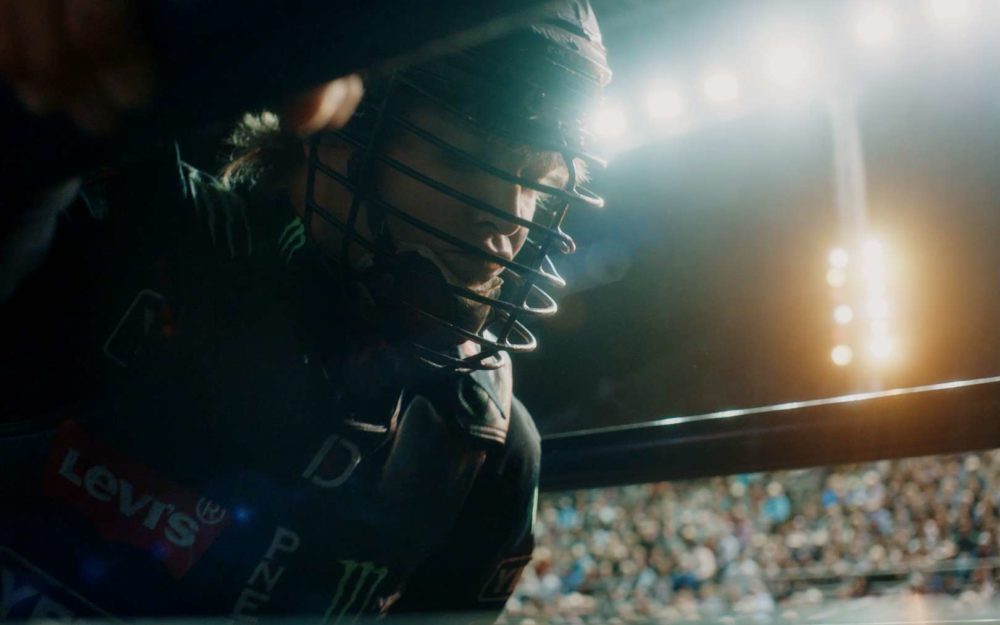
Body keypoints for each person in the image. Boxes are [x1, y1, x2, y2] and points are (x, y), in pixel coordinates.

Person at [0, 1, 611, 622]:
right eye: (466, 157)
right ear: (337, 123)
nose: (508, 217)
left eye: (535, 180)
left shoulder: (486, 454)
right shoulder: (125, 243)